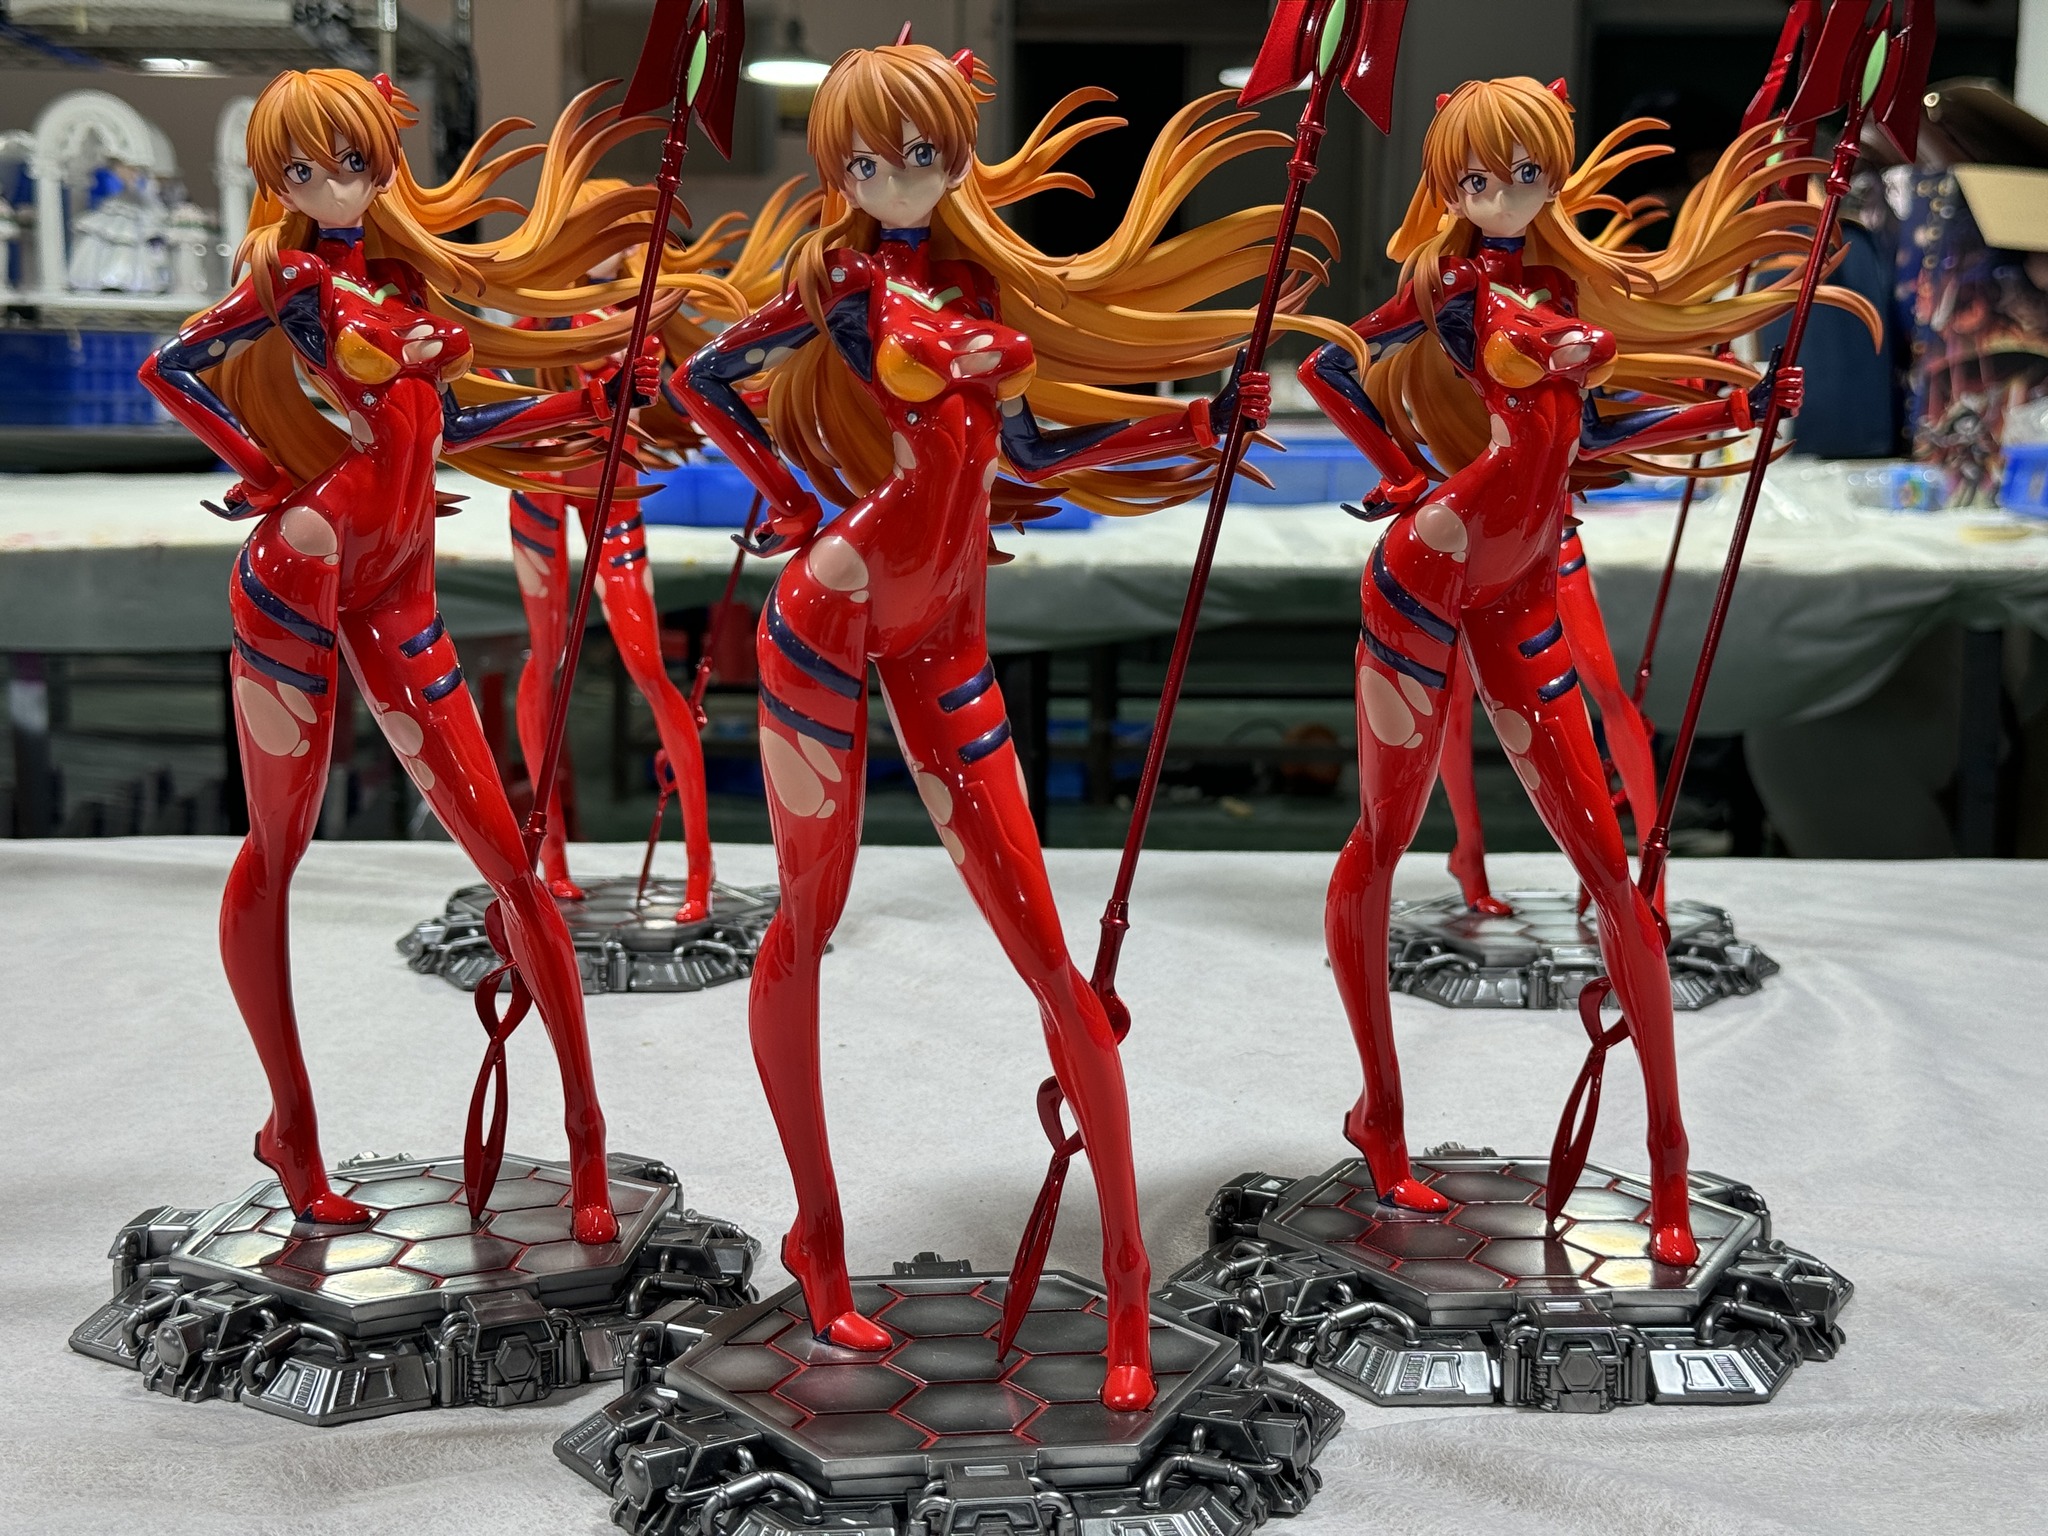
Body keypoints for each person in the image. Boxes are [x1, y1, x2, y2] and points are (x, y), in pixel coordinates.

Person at [674, 41, 1353, 1409]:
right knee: (805, 922)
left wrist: (1194, 427)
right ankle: (817, 1242)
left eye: (920, 153)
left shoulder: (977, 288)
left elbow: (1033, 453)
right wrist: (792, 496)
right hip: (827, 612)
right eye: (865, 160)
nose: (893, 178)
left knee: (1052, 960)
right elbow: (706, 382)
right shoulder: (842, 286)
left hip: (947, 639)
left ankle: (1128, 1286)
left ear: (957, 155)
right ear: (838, 170)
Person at [1297, 77, 1872, 1265]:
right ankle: (1379, 1122)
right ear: (1447, 187)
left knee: (1610, 874)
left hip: (1518, 583)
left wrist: (1734, 413)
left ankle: (1667, 1162)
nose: (1503, 196)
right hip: (1425, 568)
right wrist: (1399, 470)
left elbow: (1591, 435)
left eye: (1525, 174)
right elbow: (1332, 372)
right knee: (1382, 839)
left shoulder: (1556, 289)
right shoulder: (1448, 287)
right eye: (1477, 178)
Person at [138, 69, 694, 1244]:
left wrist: (589, 403)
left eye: (351, 162)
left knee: (511, 863)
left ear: (385, 163)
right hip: (300, 567)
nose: (333, 185)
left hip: (399, 590)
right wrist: (269, 469)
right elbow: (169, 368)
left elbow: (460, 427)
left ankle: (587, 1137)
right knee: (278, 850)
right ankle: (291, 1131)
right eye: (303, 170)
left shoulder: (399, 283)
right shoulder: (295, 282)